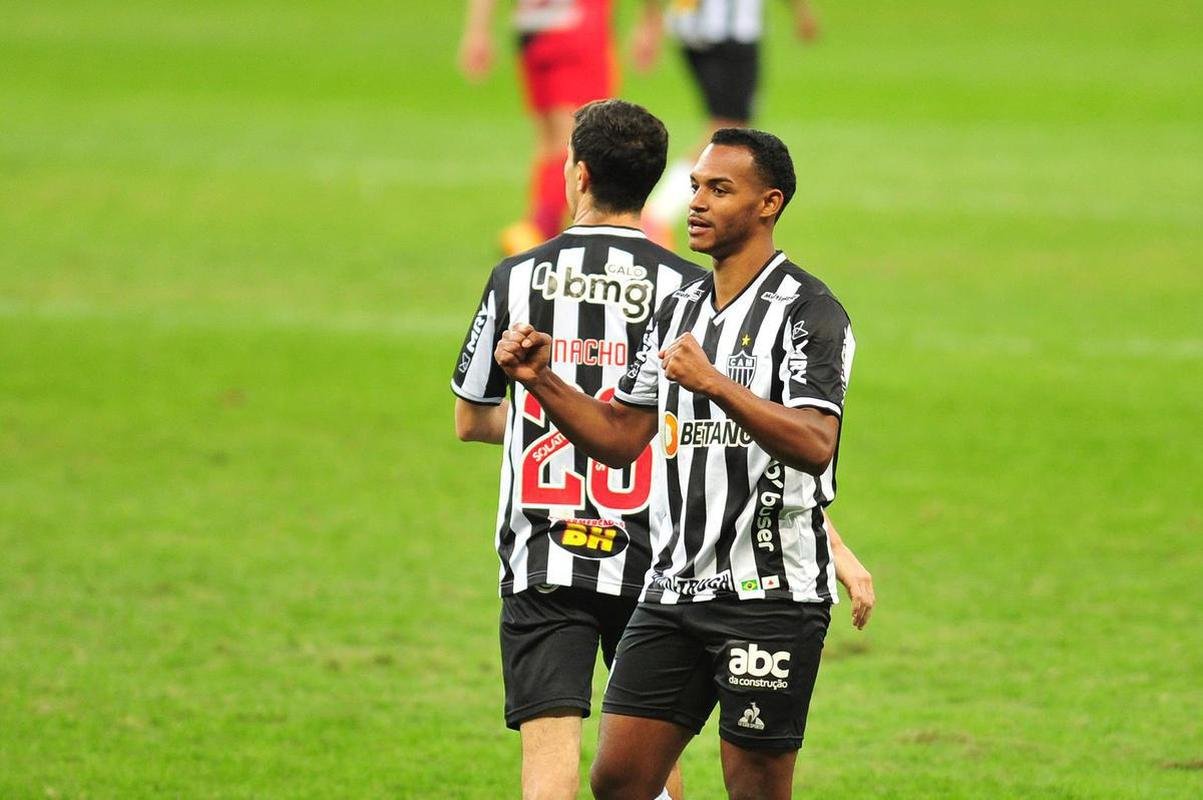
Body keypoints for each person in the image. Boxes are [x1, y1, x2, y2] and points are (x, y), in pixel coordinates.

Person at [495, 127, 857, 798]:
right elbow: (618, 436)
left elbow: (814, 442)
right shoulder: (678, 309)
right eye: (694, 186)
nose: (696, 202)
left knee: (751, 786)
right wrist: (540, 379)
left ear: (767, 204)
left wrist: (714, 383)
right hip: (671, 590)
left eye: (720, 190)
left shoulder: (810, 312)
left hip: (766, 596)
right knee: (619, 780)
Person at [452, 98, 705, 800]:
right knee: (649, 767)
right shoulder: (689, 291)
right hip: (655, 559)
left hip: (542, 552)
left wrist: (543, 421)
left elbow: (471, 420)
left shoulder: (517, 278)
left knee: (549, 764)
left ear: (580, 172)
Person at [635, 0, 821, 241]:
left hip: (688, 26)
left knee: (726, 125)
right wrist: (802, 11)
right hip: (730, 33)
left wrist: (650, 23)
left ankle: (655, 216)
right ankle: (654, 217)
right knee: (727, 128)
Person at [458, 0, 625, 255]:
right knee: (577, 139)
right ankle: (545, 229)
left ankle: (542, 228)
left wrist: (477, 30)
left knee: (554, 139)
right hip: (574, 25)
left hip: (533, 25)